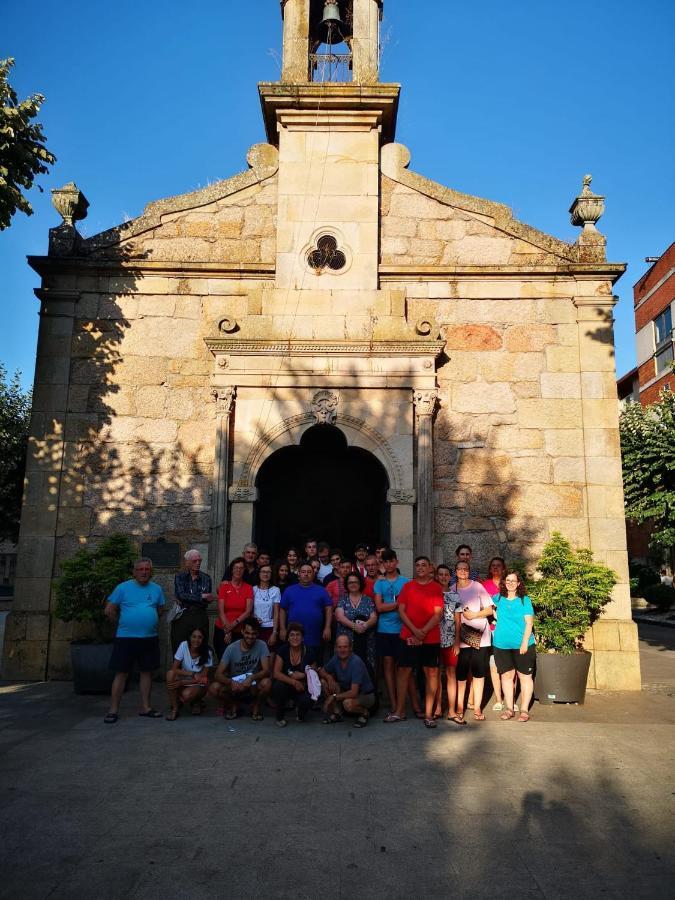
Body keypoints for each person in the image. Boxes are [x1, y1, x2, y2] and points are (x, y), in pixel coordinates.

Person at [103, 558, 166, 723]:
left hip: (149, 638)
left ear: (150, 571)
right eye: (140, 569)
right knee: (121, 673)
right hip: (126, 639)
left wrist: (146, 621)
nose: (144, 572)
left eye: (147, 569)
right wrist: (123, 623)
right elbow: (109, 610)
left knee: (147, 673)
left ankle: (145, 707)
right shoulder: (123, 588)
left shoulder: (157, 589)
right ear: (134, 571)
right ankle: (113, 709)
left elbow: (160, 610)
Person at [384, 556, 443, 728]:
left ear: (430, 567)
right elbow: (401, 611)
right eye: (417, 565)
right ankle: (399, 712)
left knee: (431, 673)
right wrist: (416, 631)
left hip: (430, 637)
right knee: (403, 672)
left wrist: (423, 632)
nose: (420, 568)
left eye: (424, 565)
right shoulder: (408, 587)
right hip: (408, 635)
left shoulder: (436, 588)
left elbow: (437, 614)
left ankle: (429, 714)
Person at [208, 617, 272, 720]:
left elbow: (266, 670)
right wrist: (230, 682)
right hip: (235, 683)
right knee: (214, 688)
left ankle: (255, 705)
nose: (250, 637)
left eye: (254, 634)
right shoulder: (231, 648)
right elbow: (217, 674)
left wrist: (251, 678)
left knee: (267, 683)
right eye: (247, 633)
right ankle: (233, 704)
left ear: (258, 634)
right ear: (242, 632)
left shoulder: (262, 645)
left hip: (253, 682)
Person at [493, 572, 536, 722]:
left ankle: (524, 710)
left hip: (523, 645)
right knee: (506, 676)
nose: (510, 583)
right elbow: (488, 608)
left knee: (525, 677)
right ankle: (509, 708)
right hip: (501, 645)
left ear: (519, 584)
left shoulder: (525, 600)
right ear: (504, 582)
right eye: (507, 580)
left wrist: (524, 642)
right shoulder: (498, 598)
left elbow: (529, 623)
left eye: (513, 581)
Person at [455, 561, 495, 723]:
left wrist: (474, 615)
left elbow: (490, 609)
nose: (463, 571)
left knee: (478, 673)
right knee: (461, 674)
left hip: (481, 636)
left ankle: (477, 707)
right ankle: (459, 707)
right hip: (463, 638)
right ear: (455, 572)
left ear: (469, 571)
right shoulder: (452, 590)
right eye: (460, 569)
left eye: (466, 569)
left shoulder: (477, 586)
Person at [319, 634, 375, 727]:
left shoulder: (356, 662)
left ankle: (364, 713)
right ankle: (338, 714)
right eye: (339, 647)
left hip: (365, 695)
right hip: (347, 691)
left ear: (350, 648)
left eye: (345, 647)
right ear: (336, 648)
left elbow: (354, 692)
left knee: (347, 703)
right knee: (323, 682)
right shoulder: (336, 658)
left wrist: (333, 697)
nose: (342, 650)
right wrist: (329, 677)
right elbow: (322, 671)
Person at [279, 561, 333, 658]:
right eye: (303, 572)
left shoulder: (321, 590)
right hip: (293, 636)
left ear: (313, 574)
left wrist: (327, 627)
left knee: (314, 665)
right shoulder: (289, 590)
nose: (306, 574)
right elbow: (282, 609)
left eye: (309, 572)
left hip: (315, 635)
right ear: (298, 574)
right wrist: (282, 628)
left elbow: (328, 608)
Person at [272, 622, 317, 727]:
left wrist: (303, 675)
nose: (295, 638)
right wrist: (293, 682)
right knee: (278, 686)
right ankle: (280, 716)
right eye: (292, 635)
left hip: (303, 686)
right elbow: (276, 673)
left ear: (302, 638)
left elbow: (314, 672)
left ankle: (301, 713)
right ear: (288, 638)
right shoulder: (283, 650)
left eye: (298, 635)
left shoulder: (309, 651)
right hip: (286, 684)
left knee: (311, 698)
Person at [434, 564, 463, 725]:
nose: (443, 577)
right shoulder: (432, 593)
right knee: (436, 675)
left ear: (450, 577)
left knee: (451, 674)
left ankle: (452, 710)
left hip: (451, 640)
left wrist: (457, 641)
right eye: (441, 574)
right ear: (436, 576)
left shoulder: (455, 596)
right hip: (434, 639)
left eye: (446, 574)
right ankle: (438, 707)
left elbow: (458, 621)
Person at [165, 627, 214, 720]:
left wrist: (181, 683)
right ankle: (175, 708)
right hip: (187, 678)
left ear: (203, 639)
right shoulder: (184, 645)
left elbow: (203, 678)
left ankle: (196, 701)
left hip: (198, 684)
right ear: (189, 637)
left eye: (199, 637)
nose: (196, 640)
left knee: (187, 694)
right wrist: (191, 673)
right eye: (194, 637)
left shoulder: (208, 652)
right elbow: (174, 668)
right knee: (170, 674)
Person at [170, 548, 214, 653]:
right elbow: (181, 595)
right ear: (187, 563)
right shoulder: (180, 577)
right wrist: (201, 596)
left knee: (199, 648)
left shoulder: (206, 578)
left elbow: (205, 600)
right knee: (179, 646)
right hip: (183, 616)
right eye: (195, 561)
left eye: (200, 560)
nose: (198, 563)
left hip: (200, 616)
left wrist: (192, 597)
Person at [481, 556, 510, 712]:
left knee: (510, 666)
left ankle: (509, 698)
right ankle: (499, 699)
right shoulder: (484, 586)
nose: (496, 568)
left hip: (509, 632)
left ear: (503, 568)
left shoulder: (509, 585)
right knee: (494, 665)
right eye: (493, 566)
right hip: (491, 631)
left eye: (498, 565)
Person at [335, 571, 377, 673]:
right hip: (346, 643)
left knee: (365, 669)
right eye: (350, 582)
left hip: (365, 641)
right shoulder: (343, 600)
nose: (353, 584)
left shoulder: (368, 600)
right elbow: (339, 616)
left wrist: (365, 625)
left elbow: (374, 617)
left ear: (360, 584)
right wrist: (355, 627)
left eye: (356, 582)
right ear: (346, 585)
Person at [214, 557, 254, 663]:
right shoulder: (224, 586)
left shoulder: (248, 588)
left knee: (238, 662)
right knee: (224, 661)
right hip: (222, 629)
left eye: (241, 568)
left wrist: (234, 624)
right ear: (231, 570)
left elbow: (248, 611)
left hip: (240, 630)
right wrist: (228, 630)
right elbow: (220, 611)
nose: (238, 570)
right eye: (236, 568)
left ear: (244, 570)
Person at [253, 564, 281, 650]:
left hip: (270, 627)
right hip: (255, 627)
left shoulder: (276, 590)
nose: (266, 574)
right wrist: (254, 617)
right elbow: (249, 610)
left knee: (269, 654)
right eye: (263, 572)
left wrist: (274, 633)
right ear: (259, 574)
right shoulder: (253, 589)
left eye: (268, 572)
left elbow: (276, 613)